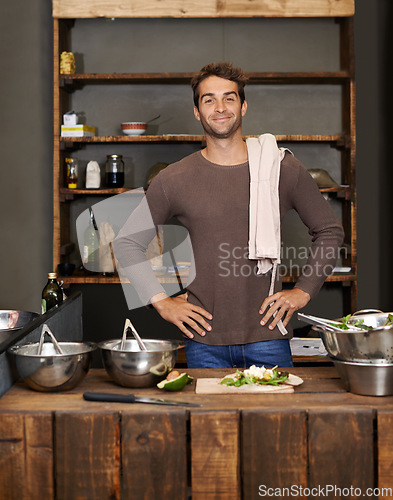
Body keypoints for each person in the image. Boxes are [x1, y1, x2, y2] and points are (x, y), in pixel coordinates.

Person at [113, 62, 344, 369]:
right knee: (210, 420)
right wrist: (163, 303)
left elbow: (330, 230)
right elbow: (127, 243)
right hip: (203, 341)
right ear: (197, 111)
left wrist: (303, 290)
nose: (219, 108)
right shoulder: (174, 179)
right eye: (209, 99)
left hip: (269, 339)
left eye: (229, 98)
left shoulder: (281, 168)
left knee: (275, 420)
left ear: (243, 106)